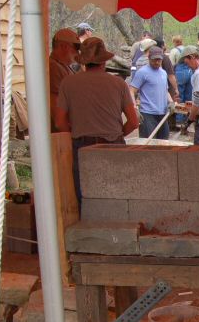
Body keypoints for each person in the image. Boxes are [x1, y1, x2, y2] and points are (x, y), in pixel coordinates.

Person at [54, 38, 138, 205]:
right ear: (104, 61)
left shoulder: (68, 83)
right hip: (113, 144)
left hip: (82, 144)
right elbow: (134, 122)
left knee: (85, 196)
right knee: (117, 194)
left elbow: (59, 122)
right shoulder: (118, 83)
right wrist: (118, 135)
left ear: (83, 62)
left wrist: (74, 135)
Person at [130, 46, 173, 140]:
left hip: (163, 114)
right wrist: (134, 108)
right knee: (148, 144)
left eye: (159, 60)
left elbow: (165, 91)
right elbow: (132, 90)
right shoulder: (142, 72)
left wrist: (171, 102)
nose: (157, 62)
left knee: (163, 143)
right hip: (147, 114)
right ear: (149, 58)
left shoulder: (163, 73)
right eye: (154, 60)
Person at [48, 28, 80, 132]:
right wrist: (66, 130)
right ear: (63, 46)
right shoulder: (53, 67)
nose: (77, 53)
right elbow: (54, 103)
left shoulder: (63, 66)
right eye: (76, 47)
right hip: (59, 133)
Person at [154, 36, 180, 103]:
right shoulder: (164, 58)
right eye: (165, 43)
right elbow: (170, 76)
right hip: (166, 89)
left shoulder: (151, 58)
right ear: (162, 46)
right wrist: (176, 89)